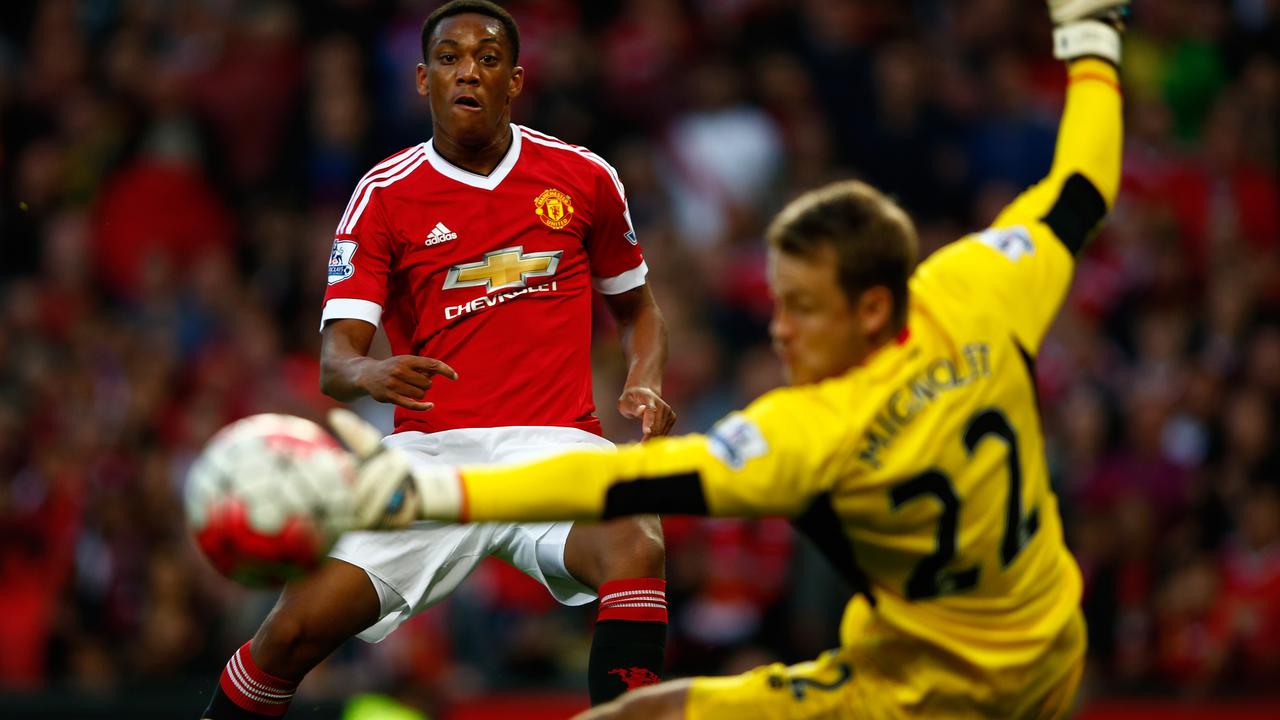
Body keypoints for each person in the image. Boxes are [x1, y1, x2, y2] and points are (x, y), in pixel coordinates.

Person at [335, 1, 1129, 717]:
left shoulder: (809, 432)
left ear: (872, 305)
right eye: (780, 305)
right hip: (1054, 644)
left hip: (918, 691)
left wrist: (440, 494)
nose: (781, 332)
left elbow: (609, 480)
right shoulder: (979, 287)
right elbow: (1083, 185)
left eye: (804, 309)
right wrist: (1093, 44)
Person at [202, 1, 675, 717]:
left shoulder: (584, 177)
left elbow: (637, 308)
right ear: (422, 80)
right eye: (450, 58)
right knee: (292, 633)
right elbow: (336, 360)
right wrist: (367, 372)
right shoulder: (383, 195)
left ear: (515, 81)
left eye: (488, 59)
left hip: (556, 446)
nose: (468, 72)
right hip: (430, 458)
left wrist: (643, 377)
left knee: (637, 542)